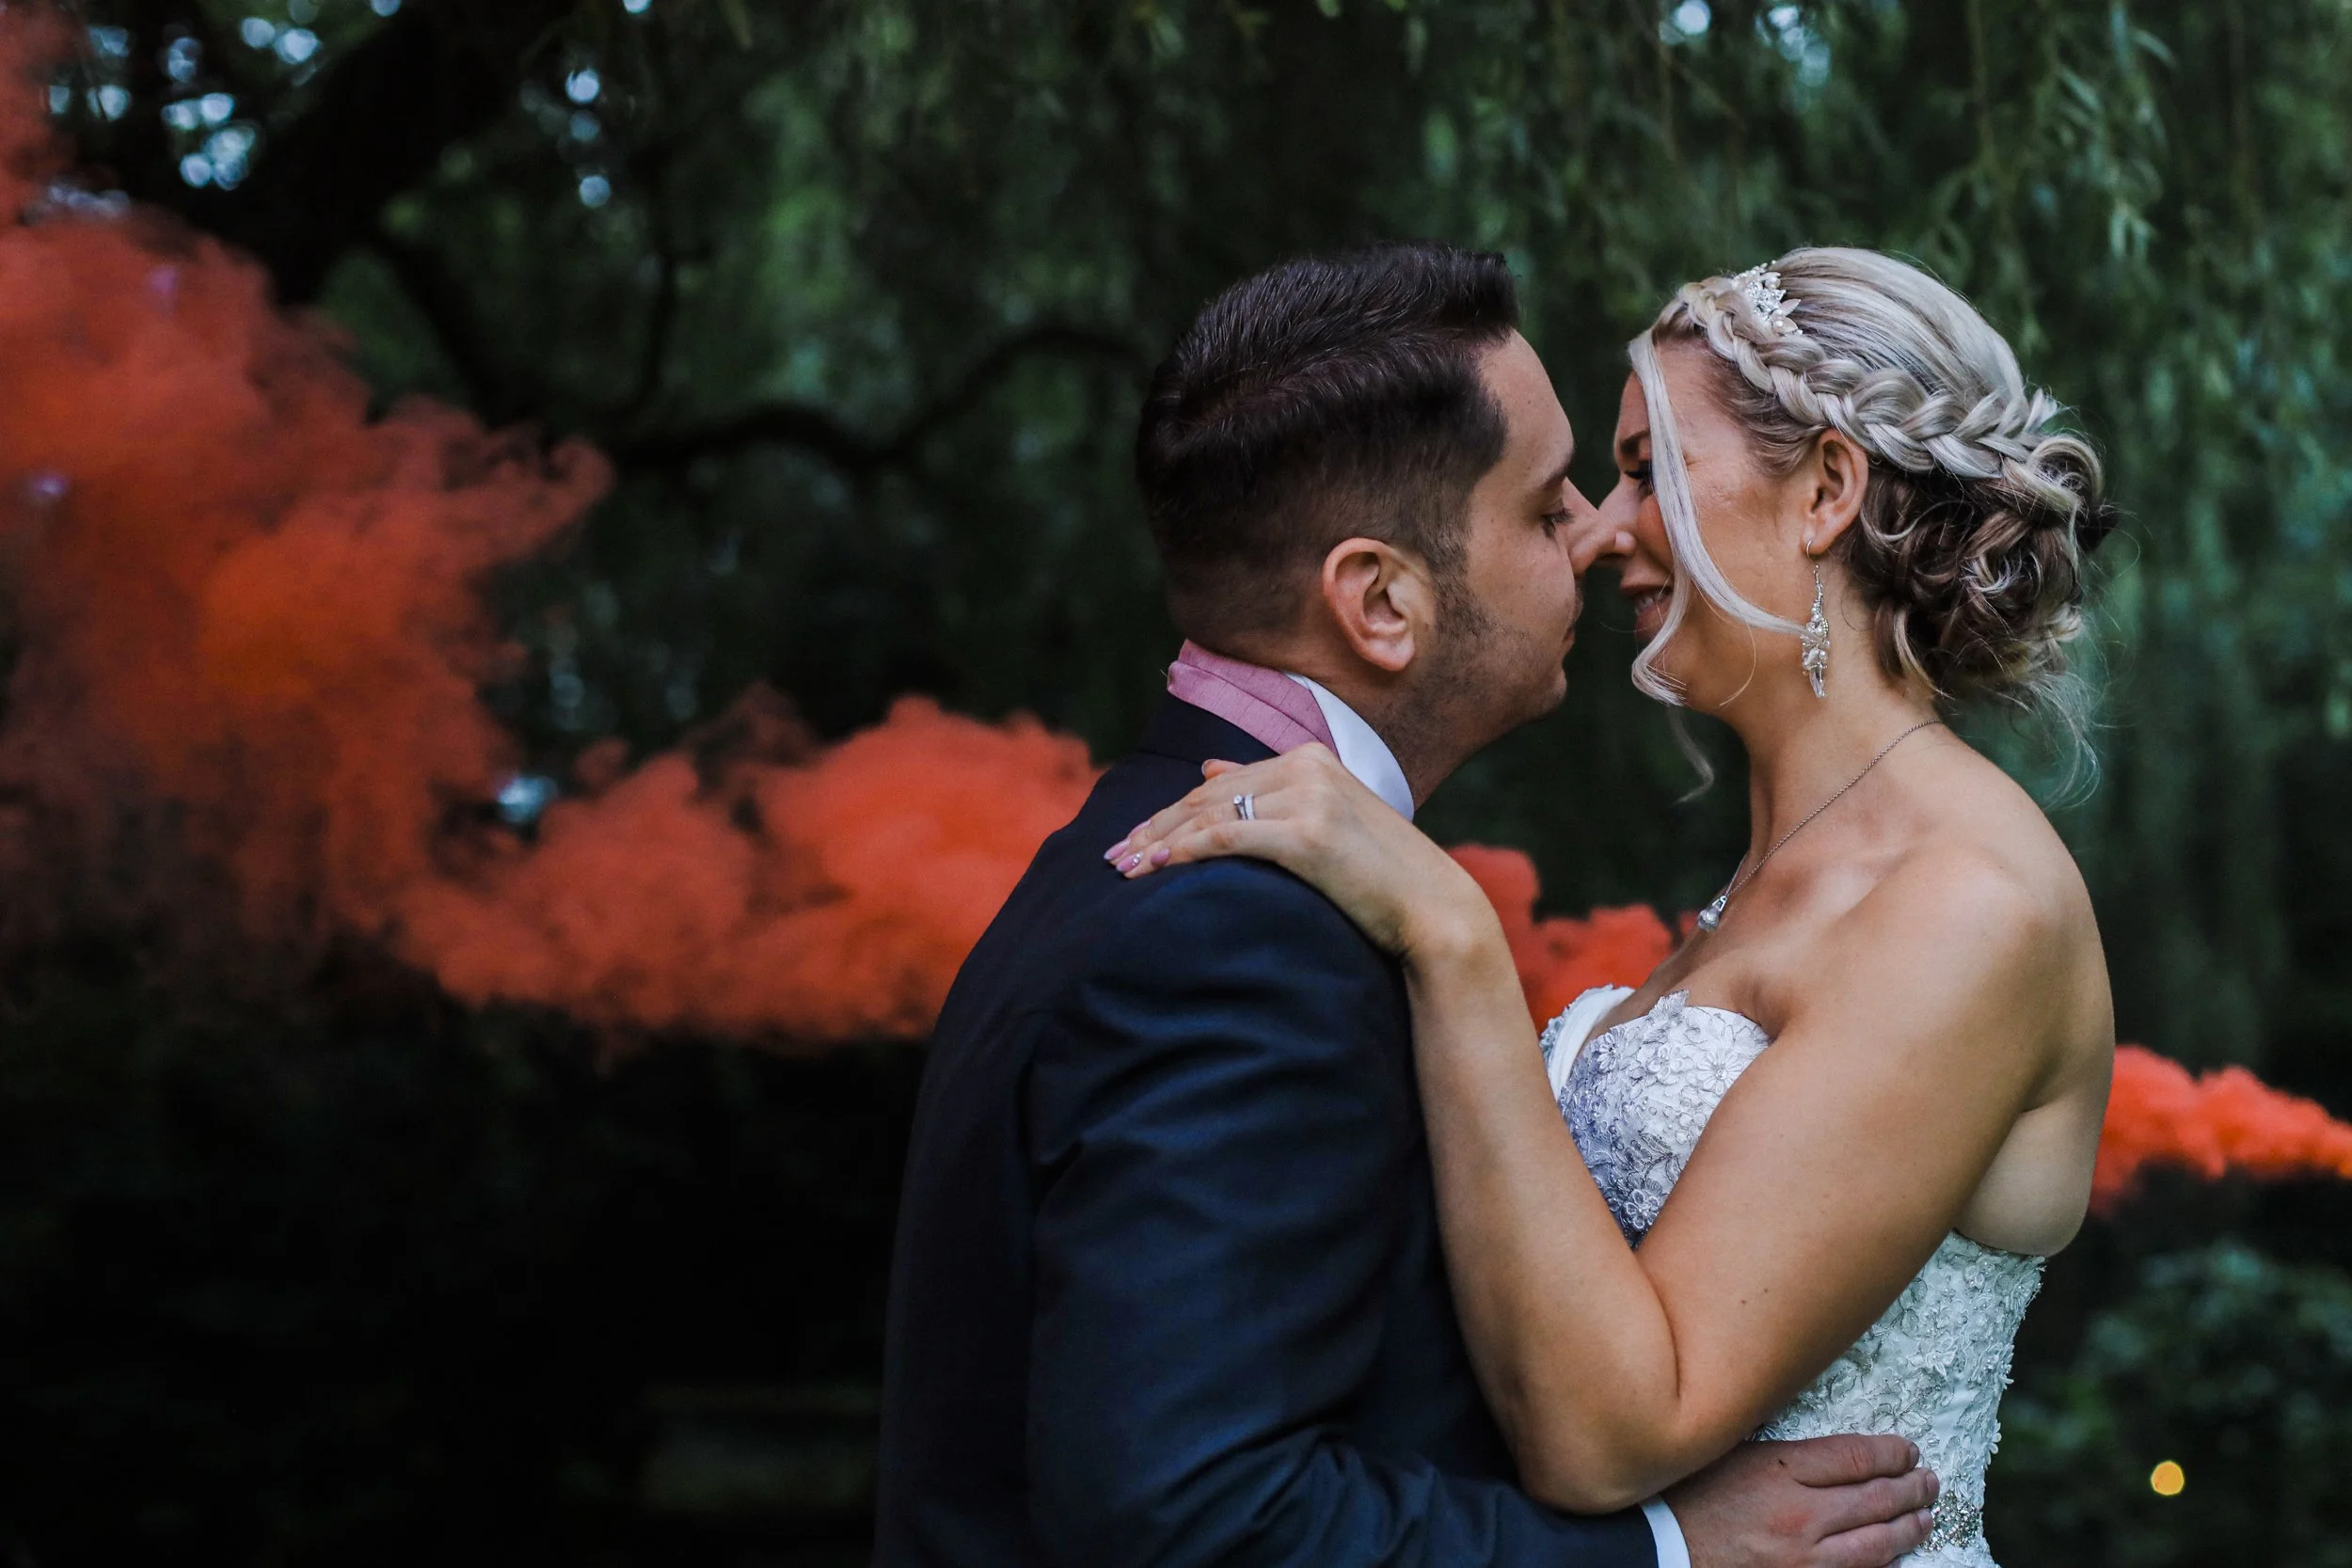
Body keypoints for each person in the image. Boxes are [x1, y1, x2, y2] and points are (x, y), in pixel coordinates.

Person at [875, 242, 1944, 1568]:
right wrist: (1660, 1554)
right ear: (1382, 600)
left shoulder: (1138, 868)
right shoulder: (1236, 936)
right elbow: (1198, 1519)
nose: (1600, 534)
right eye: (1548, 507)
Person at [1110, 248, 2119, 1567]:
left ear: (1825, 491)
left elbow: (1612, 1427)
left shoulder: (1967, 903)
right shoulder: (1767, 878)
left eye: (1648, 470)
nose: (1599, 530)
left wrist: (1454, 938)